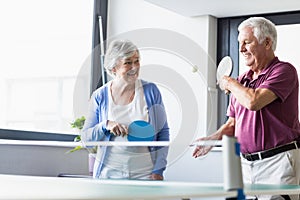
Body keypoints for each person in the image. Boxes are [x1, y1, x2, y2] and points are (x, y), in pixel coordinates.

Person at [193, 17, 300, 200]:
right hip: (245, 165)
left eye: (246, 42)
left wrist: (229, 82)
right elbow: (233, 123)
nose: (241, 49)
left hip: (277, 162)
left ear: (267, 42)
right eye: (239, 43)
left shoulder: (284, 71)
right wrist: (212, 138)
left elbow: (254, 101)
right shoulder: (242, 80)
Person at [81, 39, 169, 180]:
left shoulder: (151, 91)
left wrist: (158, 170)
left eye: (137, 61)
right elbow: (86, 139)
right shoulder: (100, 96)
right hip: (109, 174)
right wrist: (105, 126)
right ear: (113, 68)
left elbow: (163, 133)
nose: (134, 67)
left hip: (144, 174)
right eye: (128, 62)